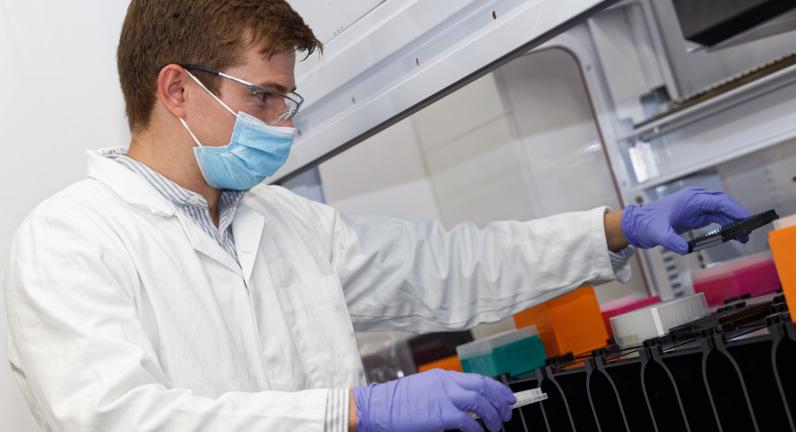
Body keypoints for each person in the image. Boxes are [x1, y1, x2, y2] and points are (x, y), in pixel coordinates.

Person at [3, 1, 752, 431]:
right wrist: (353, 412)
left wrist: (615, 229)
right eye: (261, 97)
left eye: (285, 101)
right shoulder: (71, 241)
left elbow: (452, 267)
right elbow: (117, 420)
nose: (281, 124)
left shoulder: (288, 226)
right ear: (175, 89)